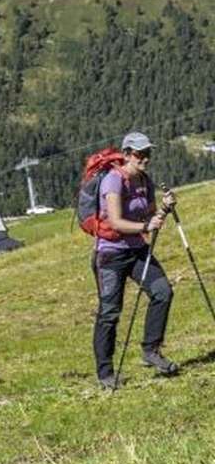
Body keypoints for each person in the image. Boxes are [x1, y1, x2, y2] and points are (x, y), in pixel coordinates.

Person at [93, 131, 177, 389]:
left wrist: (164, 208)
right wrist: (145, 225)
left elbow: (151, 215)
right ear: (126, 154)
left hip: (137, 250)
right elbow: (116, 222)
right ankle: (106, 373)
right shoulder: (112, 181)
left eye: (148, 153)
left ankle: (151, 351)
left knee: (162, 292)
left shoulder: (144, 180)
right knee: (110, 312)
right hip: (111, 254)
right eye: (140, 154)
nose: (145, 159)